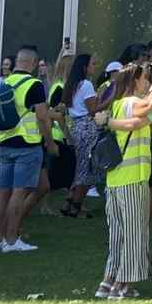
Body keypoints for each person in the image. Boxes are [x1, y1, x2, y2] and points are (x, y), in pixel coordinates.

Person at [96, 62, 152, 300]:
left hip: (115, 179)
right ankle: (123, 285)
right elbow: (147, 109)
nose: (146, 82)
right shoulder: (133, 102)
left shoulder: (117, 104)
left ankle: (107, 282)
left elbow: (147, 123)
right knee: (135, 234)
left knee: (118, 236)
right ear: (136, 80)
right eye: (144, 79)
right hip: (132, 178)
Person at [0, 47, 58, 254]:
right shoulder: (34, 84)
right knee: (19, 192)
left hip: (6, 142)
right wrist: (50, 142)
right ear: (33, 63)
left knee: (3, 192)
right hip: (27, 144)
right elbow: (42, 116)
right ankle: (12, 240)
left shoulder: (4, 82)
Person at [61, 53, 107, 219]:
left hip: (77, 127)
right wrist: (108, 98)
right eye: (92, 65)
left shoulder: (73, 84)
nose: (94, 68)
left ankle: (70, 201)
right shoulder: (86, 84)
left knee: (81, 166)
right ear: (84, 67)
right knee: (86, 169)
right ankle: (76, 206)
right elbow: (93, 109)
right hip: (87, 127)